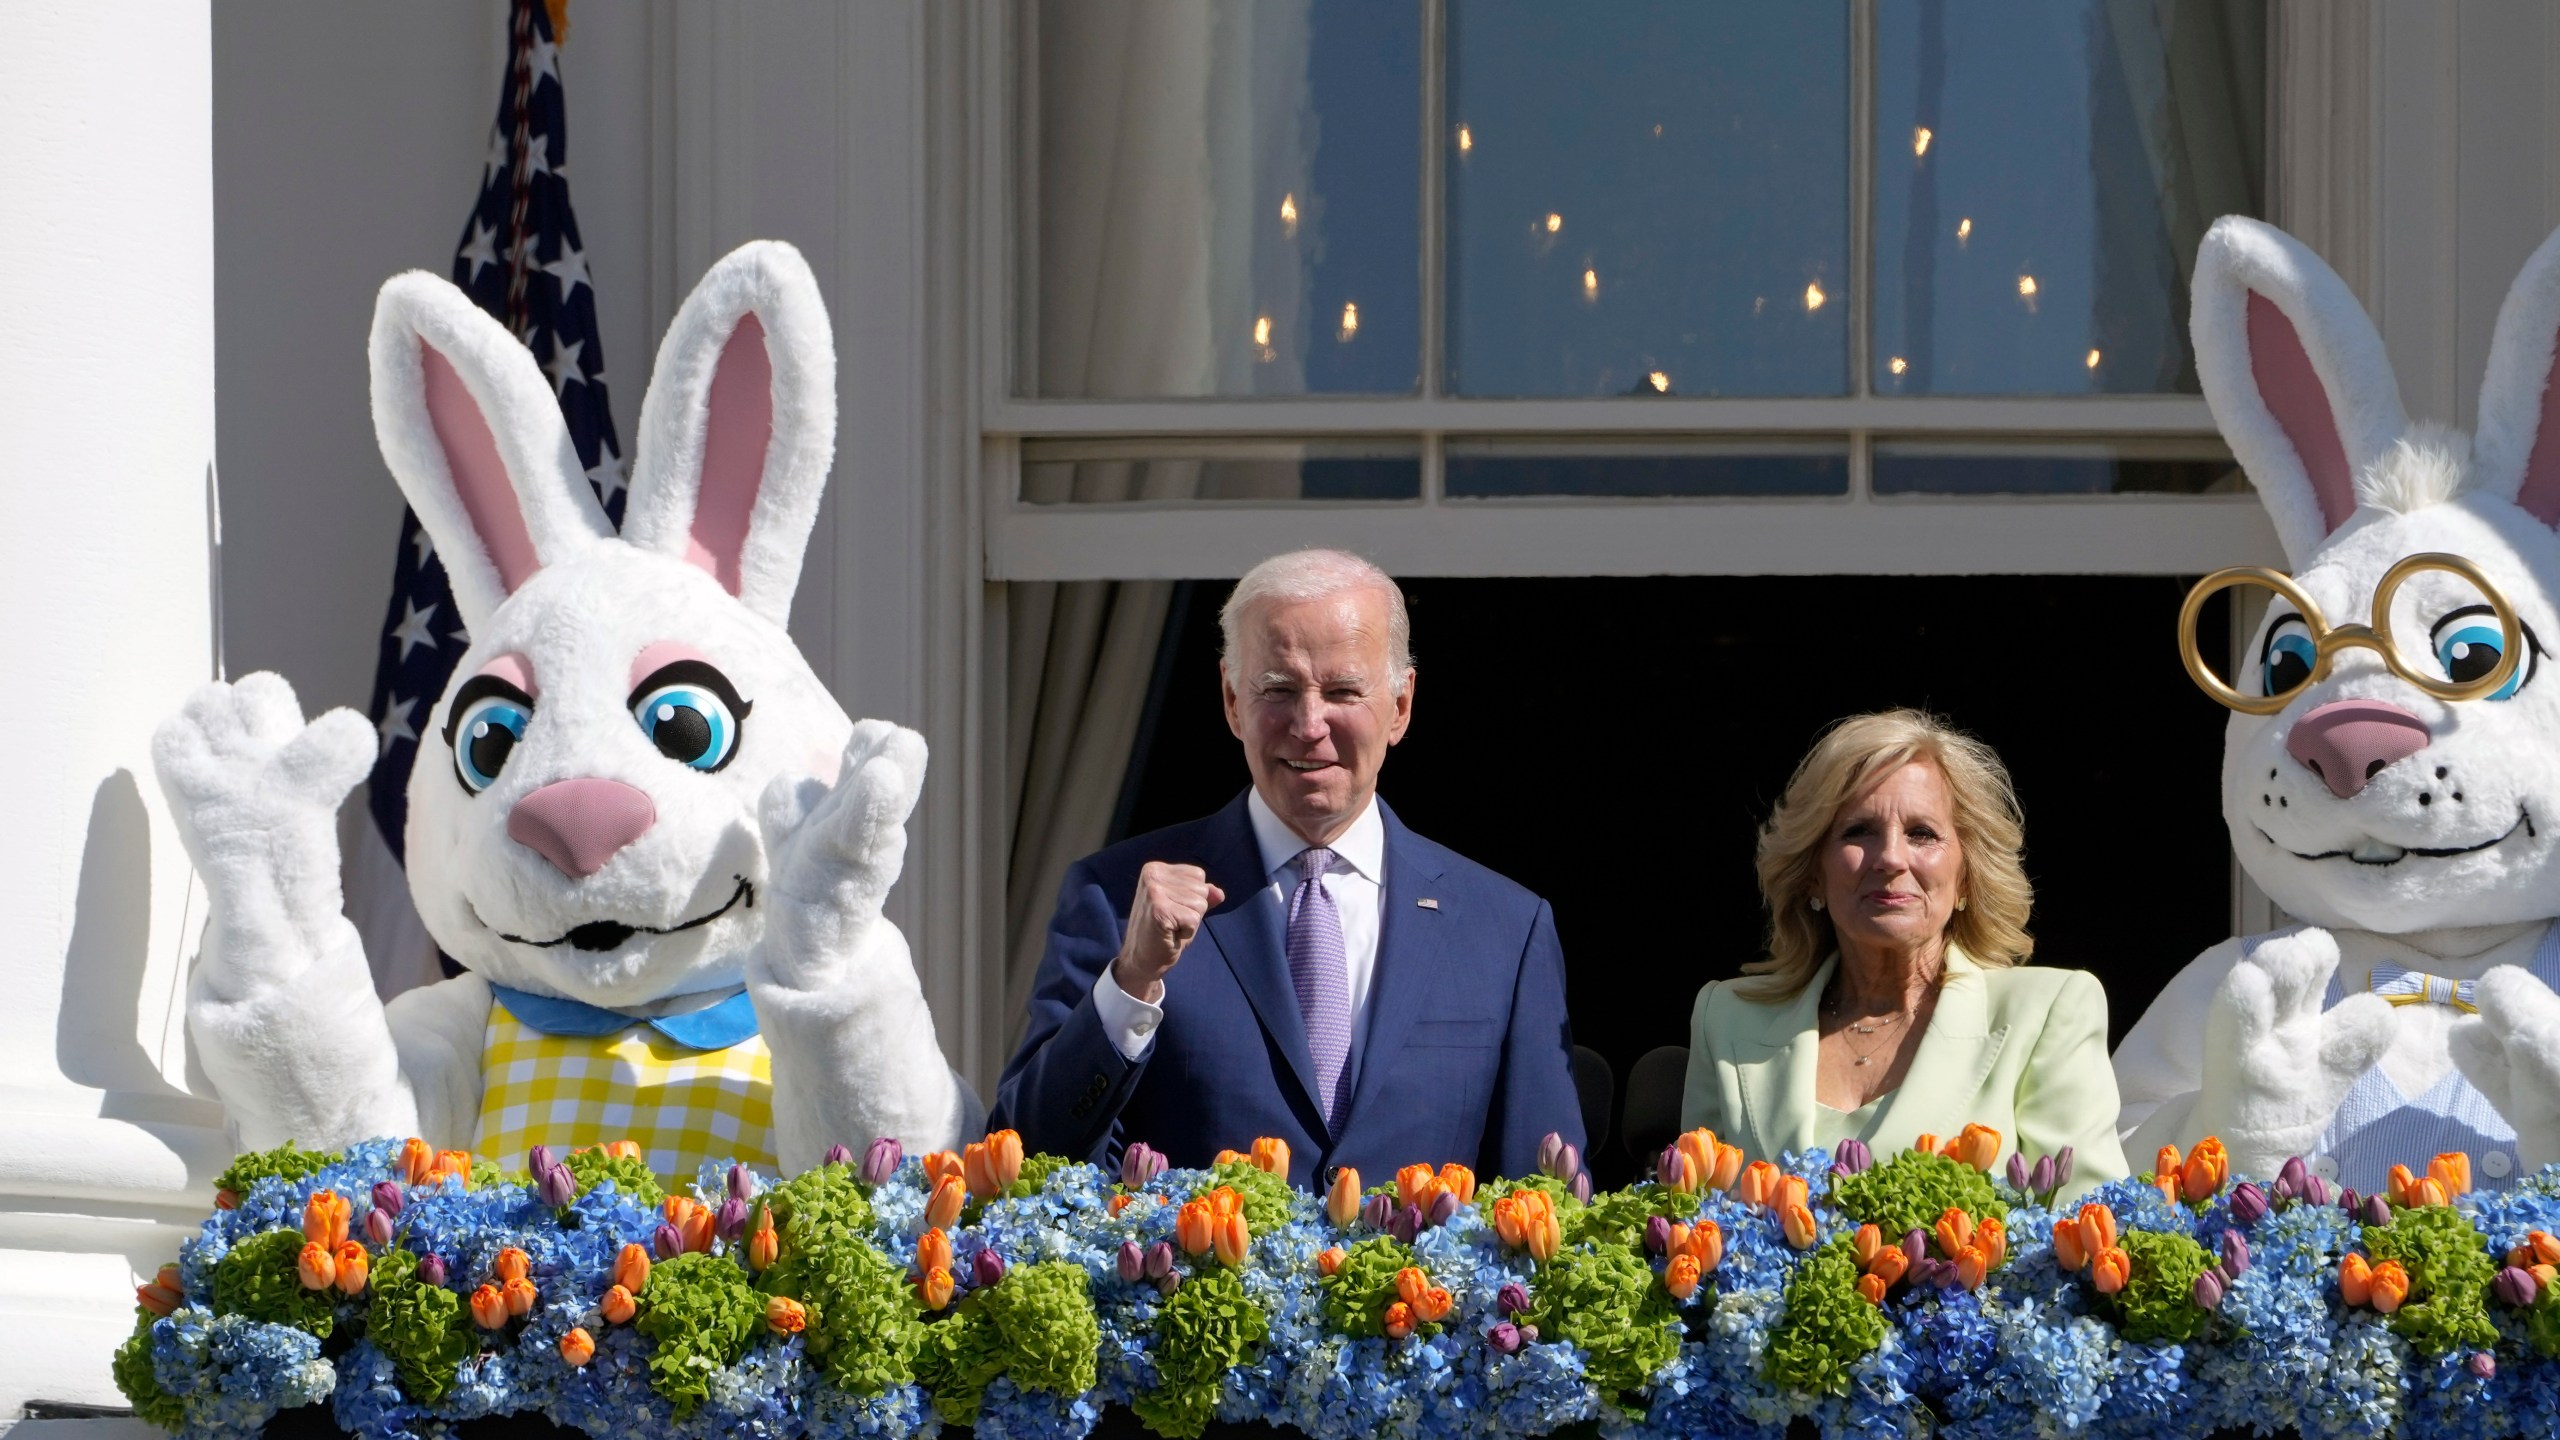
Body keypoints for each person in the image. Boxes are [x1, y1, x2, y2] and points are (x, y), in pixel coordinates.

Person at [993, 549, 1586, 1187]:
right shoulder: (1113, 897)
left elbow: (1545, 1205)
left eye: (1342, 692)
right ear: (1231, 701)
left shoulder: (1504, 927)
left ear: (1400, 706)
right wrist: (1131, 981)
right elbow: (1026, 1158)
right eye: (1278, 689)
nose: (1309, 725)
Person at [1682, 710, 2128, 1197]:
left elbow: (2092, 1231)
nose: (1891, 858)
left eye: (1922, 833)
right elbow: (1693, 1228)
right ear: (1812, 873)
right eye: (1858, 831)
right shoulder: (1727, 1019)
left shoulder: (2047, 1012)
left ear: (1965, 877)